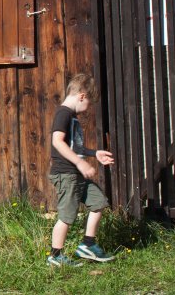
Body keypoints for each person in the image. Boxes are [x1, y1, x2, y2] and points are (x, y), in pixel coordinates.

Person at [46, 72, 116, 266]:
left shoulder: (72, 116)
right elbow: (57, 142)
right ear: (82, 96)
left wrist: (94, 154)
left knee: (98, 201)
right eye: (89, 104)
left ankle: (87, 245)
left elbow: (74, 146)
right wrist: (79, 162)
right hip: (66, 174)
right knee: (67, 216)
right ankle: (55, 256)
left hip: (76, 174)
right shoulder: (63, 113)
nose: (87, 109)